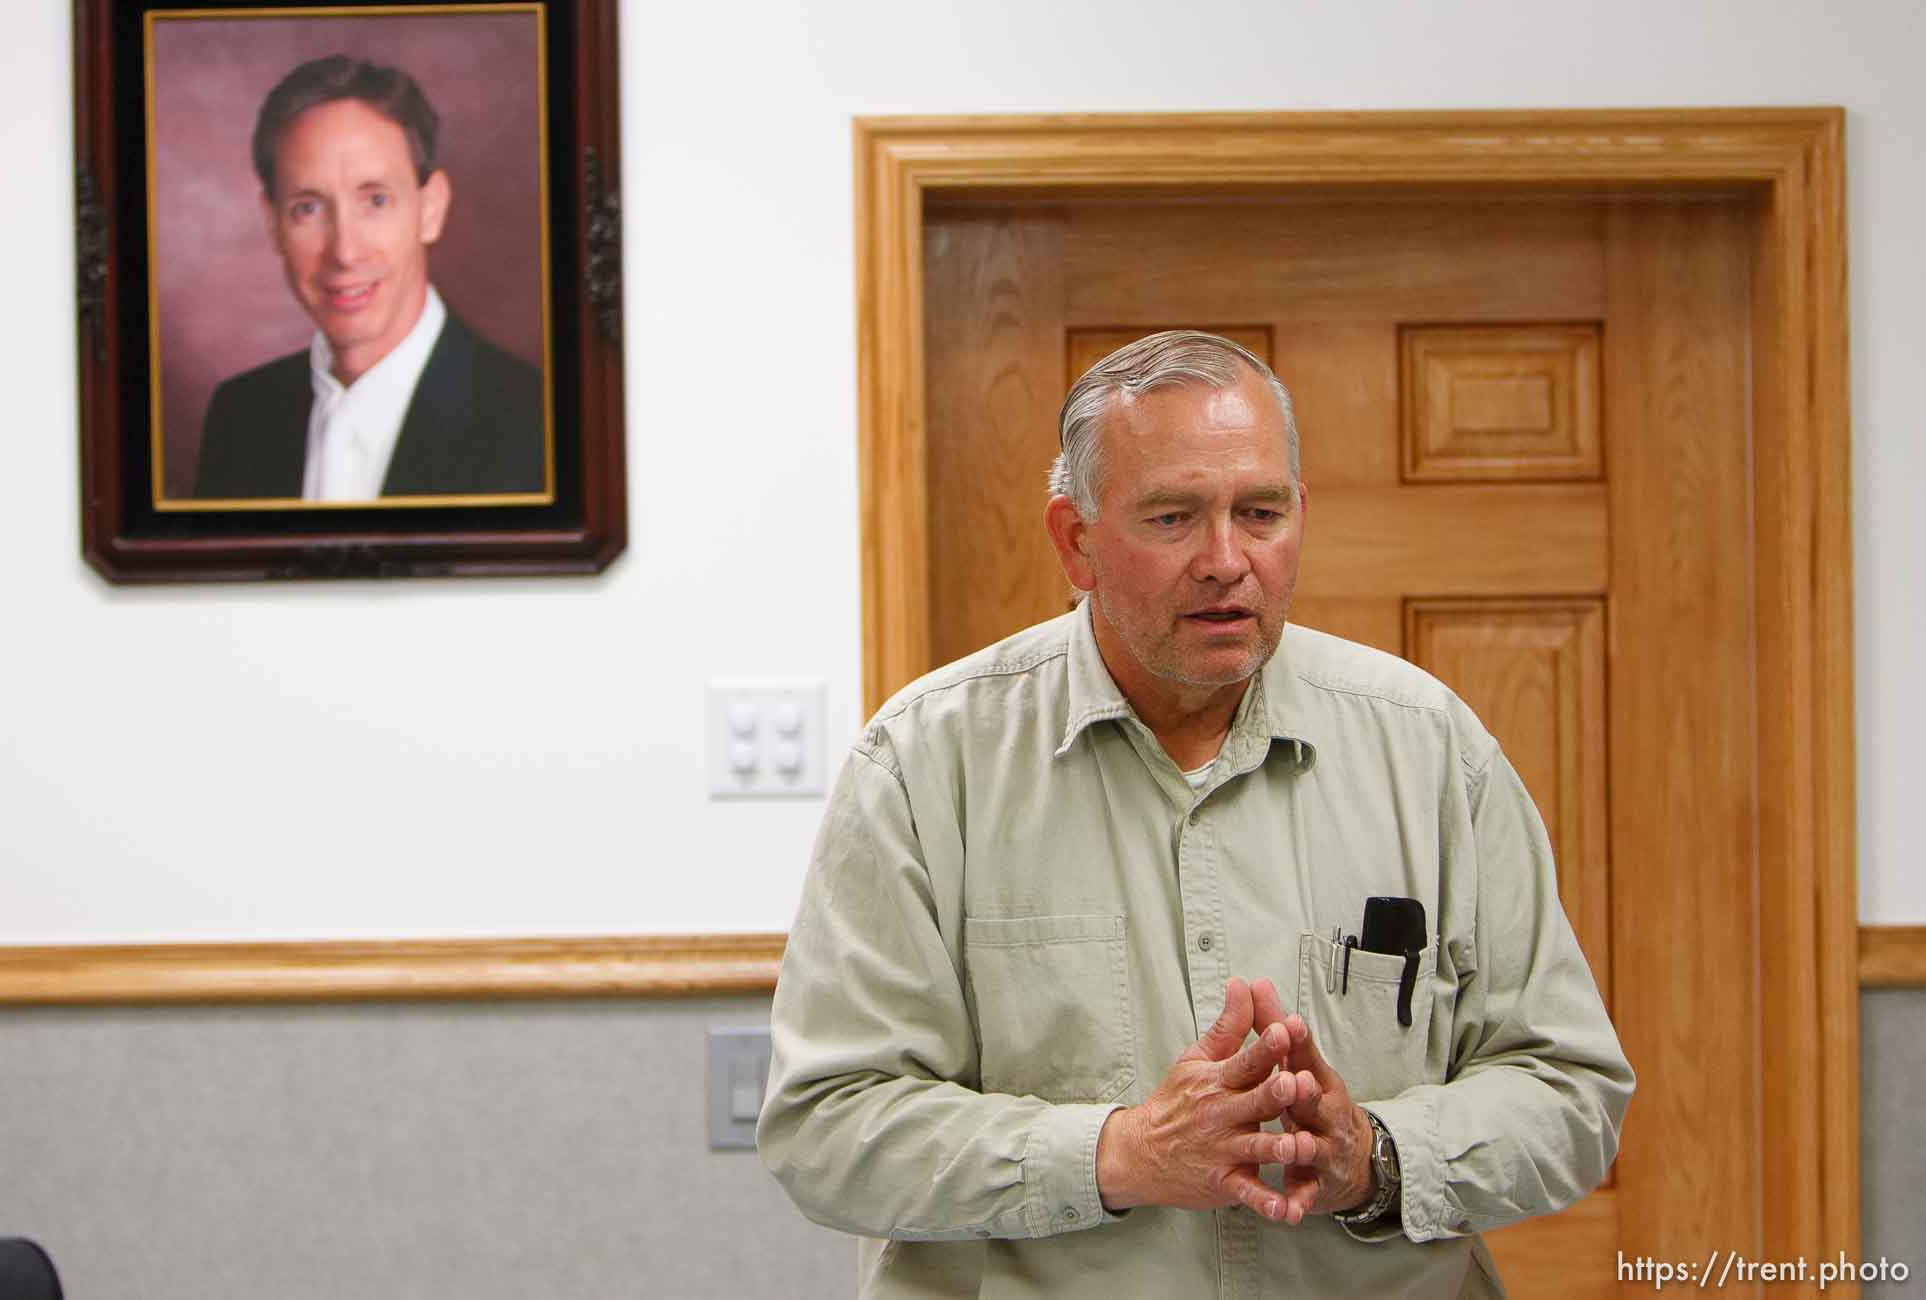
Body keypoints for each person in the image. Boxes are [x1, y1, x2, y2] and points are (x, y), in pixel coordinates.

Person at [758, 331, 1633, 1298]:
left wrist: (1375, 1159)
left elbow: (1571, 1093)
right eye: (1173, 518)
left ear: (1300, 514)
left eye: (1259, 513)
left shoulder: (1429, 748)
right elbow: (827, 1128)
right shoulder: (927, 765)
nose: (1227, 560)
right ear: (1075, 539)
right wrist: (1116, 1154)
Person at [193, 55, 544, 502]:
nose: (344, 252)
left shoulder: (536, 421)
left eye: (376, 200)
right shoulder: (240, 416)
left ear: (430, 209)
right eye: (309, 208)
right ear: (273, 224)